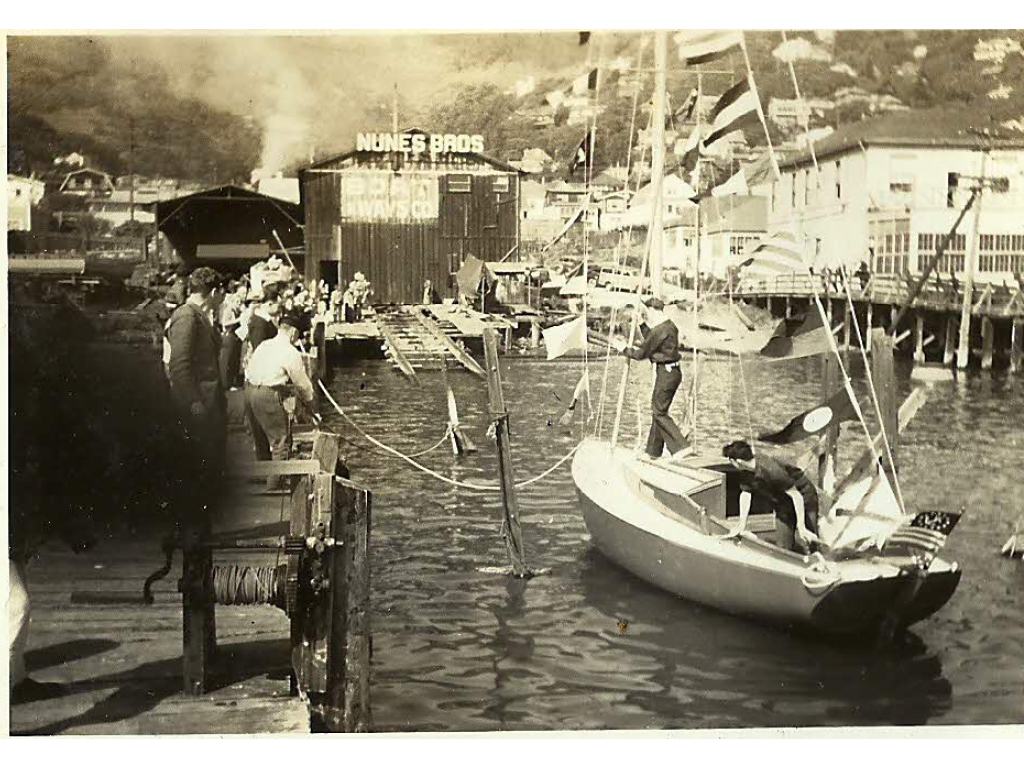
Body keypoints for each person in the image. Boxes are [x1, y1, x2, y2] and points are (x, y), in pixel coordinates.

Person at [166, 267, 227, 515]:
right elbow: (179, 365)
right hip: (198, 406)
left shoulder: (197, 315)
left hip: (207, 403)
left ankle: (199, 519)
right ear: (213, 292)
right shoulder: (188, 317)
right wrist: (194, 402)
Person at [243, 314, 318, 490]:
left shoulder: (264, 345)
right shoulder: (290, 352)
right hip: (267, 395)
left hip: (249, 391)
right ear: (293, 332)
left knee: (260, 438)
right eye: (298, 334)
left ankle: (265, 478)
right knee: (281, 442)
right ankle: (274, 486)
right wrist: (311, 404)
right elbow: (302, 384)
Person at [614, 297, 689, 460]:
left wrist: (623, 349)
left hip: (667, 374)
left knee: (659, 411)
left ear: (654, 311)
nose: (646, 315)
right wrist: (641, 324)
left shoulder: (660, 330)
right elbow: (652, 342)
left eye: (647, 313)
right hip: (672, 372)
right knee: (658, 410)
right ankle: (653, 451)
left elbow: (642, 353)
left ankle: (682, 447)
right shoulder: (669, 326)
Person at [721, 440, 821, 554]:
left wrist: (801, 527)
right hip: (783, 503)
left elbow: (796, 496)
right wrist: (741, 525)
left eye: (730, 461)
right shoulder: (746, 472)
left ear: (737, 461)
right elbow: (746, 494)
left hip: (804, 497)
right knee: (783, 547)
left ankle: (817, 558)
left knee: (810, 538)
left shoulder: (772, 470)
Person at [219, 279, 248, 390]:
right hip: (229, 337)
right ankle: (225, 383)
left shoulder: (237, 310)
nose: (239, 304)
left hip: (236, 337)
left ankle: (231, 382)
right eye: (237, 302)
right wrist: (238, 320)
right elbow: (224, 323)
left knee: (234, 360)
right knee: (227, 360)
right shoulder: (228, 310)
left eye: (239, 302)